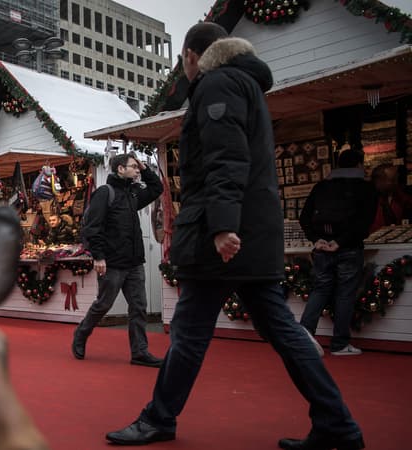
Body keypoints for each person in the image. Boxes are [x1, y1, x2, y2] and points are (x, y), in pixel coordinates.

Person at [105, 24, 364, 450]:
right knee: (281, 330)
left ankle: (159, 419)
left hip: (220, 238)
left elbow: (226, 160)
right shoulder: (246, 84)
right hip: (250, 236)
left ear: (191, 55)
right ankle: (338, 425)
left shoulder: (217, 83)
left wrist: (224, 225)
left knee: (189, 333)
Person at [71, 152, 164, 367]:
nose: (137, 170)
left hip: (134, 262)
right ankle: (81, 333)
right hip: (112, 262)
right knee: (104, 304)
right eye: (133, 166)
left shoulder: (132, 194)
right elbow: (92, 227)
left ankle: (139, 352)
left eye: (137, 167)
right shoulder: (105, 192)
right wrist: (99, 256)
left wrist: (145, 167)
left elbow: (157, 189)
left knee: (139, 306)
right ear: (120, 169)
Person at [299, 149, 377, 356]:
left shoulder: (322, 186)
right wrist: (340, 242)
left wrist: (317, 240)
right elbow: (364, 223)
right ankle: (340, 344)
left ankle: (304, 336)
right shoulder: (366, 188)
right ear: (359, 165)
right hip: (349, 248)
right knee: (345, 294)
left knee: (320, 289)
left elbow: (304, 217)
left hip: (322, 248)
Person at [369, 163, 412, 233]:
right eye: (392, 180)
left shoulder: (401, 195)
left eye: (396, 178)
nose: (396, 182)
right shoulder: (367, 199)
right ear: (379, 181)